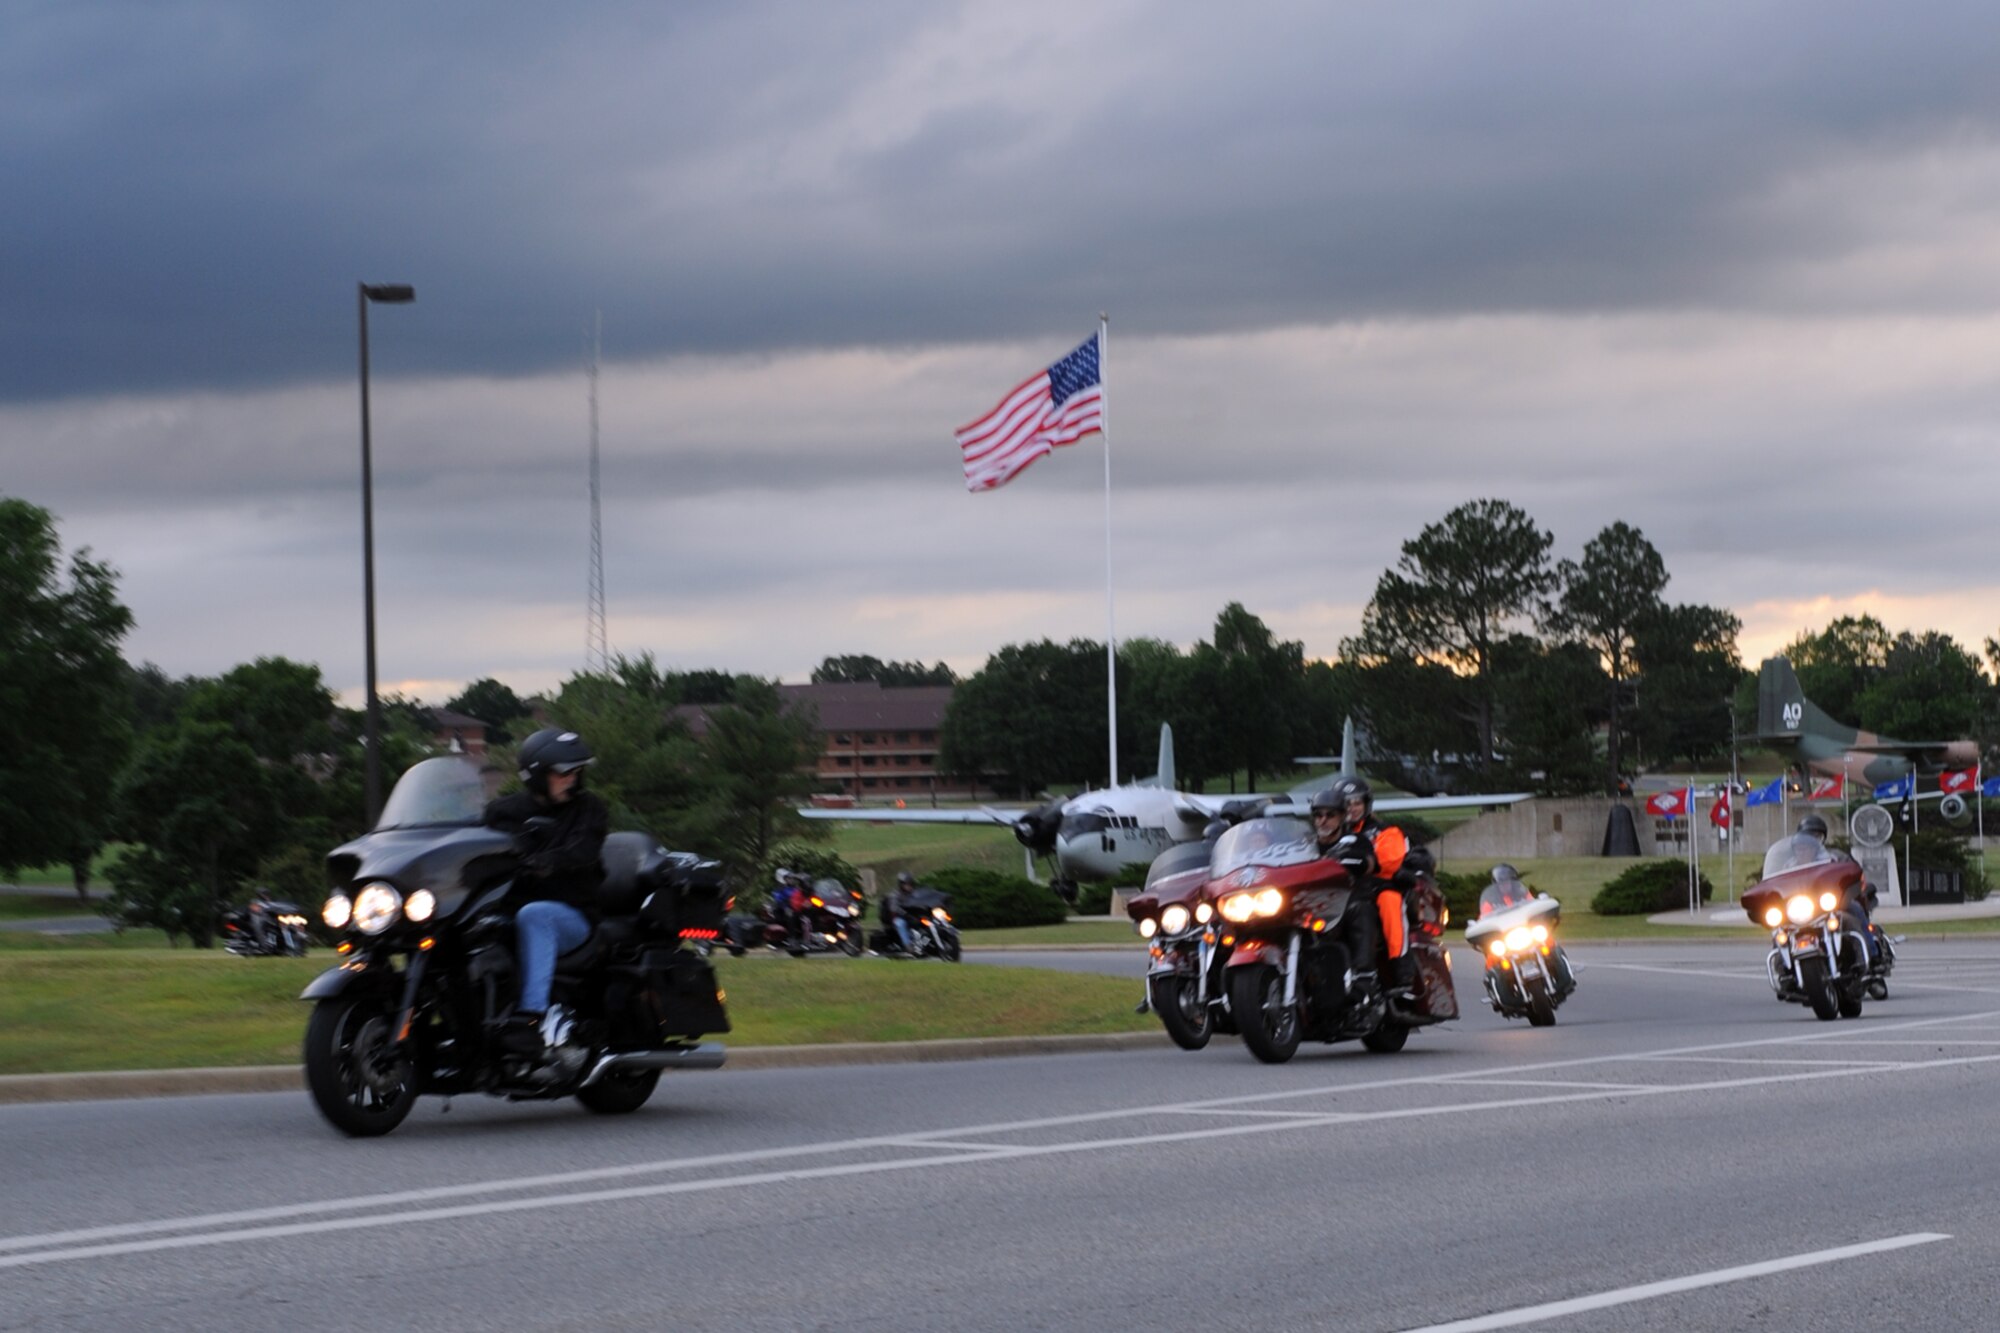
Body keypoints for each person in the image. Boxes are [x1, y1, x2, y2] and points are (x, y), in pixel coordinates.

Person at [482, 727, 609, 1058]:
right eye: (563, 772)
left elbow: (584, 850)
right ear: (537, 775)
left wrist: (544, 862)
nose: (572, 778)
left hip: (572, 916)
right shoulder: (503, 812)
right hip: (510, 909)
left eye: (577, 771)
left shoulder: (589, 809)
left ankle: (530, 1019)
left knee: (534, 914)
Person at [1311, 777, 1412, 1002]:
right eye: (1347, 803)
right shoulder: (1325, 835)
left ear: (1366, 804)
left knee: (1389, 903)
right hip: (1340, 889)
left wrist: (1361, 860)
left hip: (1379, 884)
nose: (1352, 808)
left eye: (1357, 802)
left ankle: (1401, 967)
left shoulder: (1383, 830)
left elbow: (1388, 861)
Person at [883, 871, 921, 954]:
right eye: (907, 884)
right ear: (901, 885)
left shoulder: (915, 894)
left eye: (910, 884)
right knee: (901, 923)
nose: (909, 886)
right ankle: (907, 945)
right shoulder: (895, 895)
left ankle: (925, 943)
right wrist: (904, 913)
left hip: (912, 917)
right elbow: (893, 908)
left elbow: (921, 902)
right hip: (899, 918)